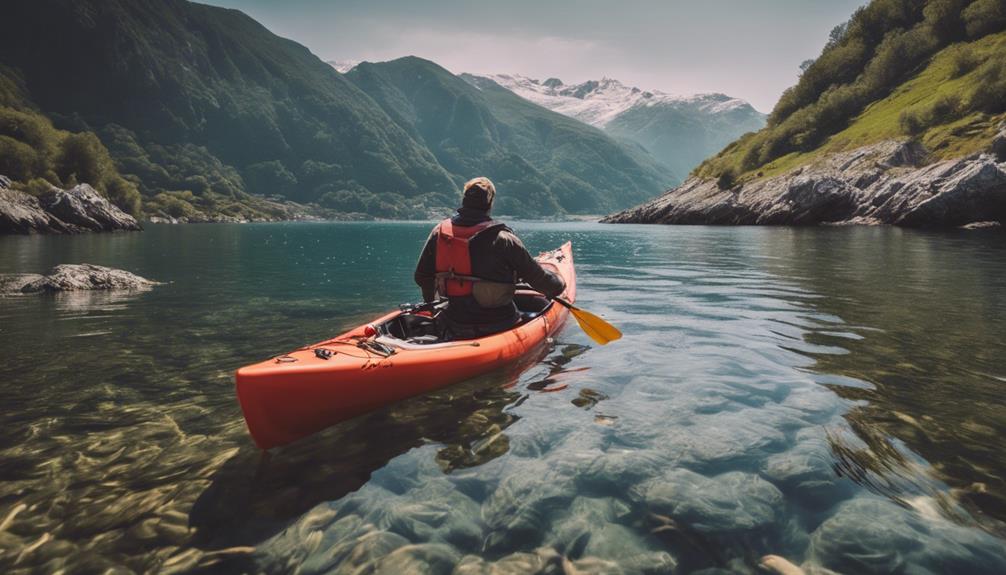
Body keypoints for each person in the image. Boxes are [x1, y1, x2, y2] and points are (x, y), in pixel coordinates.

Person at [414, 177, 566, 339]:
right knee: (542, 304)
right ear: (490, 203)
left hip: (453, 320)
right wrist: (559, 285)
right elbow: (539, 280)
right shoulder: (504, 239)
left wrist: (431, 305)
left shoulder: (440, 233)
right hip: (499, 322)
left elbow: (422, 277)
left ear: (464, 200)